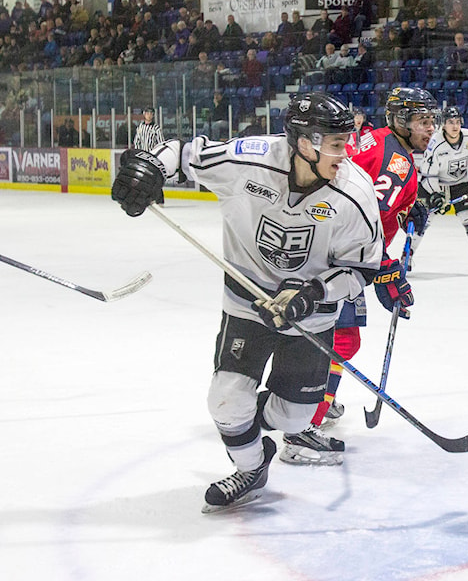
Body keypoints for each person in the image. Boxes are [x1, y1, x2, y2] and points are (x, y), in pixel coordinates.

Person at [110, 92, 383, 512]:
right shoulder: (250, 159)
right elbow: (183, 153)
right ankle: (252, 468)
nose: (343, 154)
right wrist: (150, 167)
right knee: (225, 396)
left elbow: (361, 271)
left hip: (308, 319)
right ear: (304, 143)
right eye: (334, 143)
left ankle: (247, 422)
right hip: (245, 305)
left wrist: (311, 295)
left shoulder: (355, 195)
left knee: (294, 417)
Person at [281, 88, 436, 465]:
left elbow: (363, 190)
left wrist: (410, 203)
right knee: (340, 340)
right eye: (423, 121)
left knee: (332, 336)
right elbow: (365, 220)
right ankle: (303, 426)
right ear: (400, 121)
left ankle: (314, 401)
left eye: (432, 121)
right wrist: (384, 268)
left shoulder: (381, 142)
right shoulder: (397, 161)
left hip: (328, 245)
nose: (430, 129)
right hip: (339, 256)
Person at [410, 106, 468, 273]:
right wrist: (436, 194)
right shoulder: (435, 143)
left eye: (457, 122)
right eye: (450, 122)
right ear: (443, 125)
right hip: (433, 185)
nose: (455, 126)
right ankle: (408, 254)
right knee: (424, 222)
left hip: (459, 185)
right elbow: (429, 176)